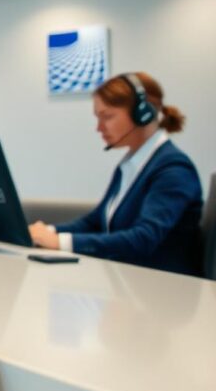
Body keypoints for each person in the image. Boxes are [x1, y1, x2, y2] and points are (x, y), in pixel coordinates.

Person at [29, 72, 203, 276]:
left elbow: (143, 239)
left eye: (107, 116)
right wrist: (48, 232)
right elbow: (94, 222)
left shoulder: (173, 169)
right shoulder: (132, 164)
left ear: (143, 113)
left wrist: (61, 242)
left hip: (163, 292)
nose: (99, 127)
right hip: (128, 282)